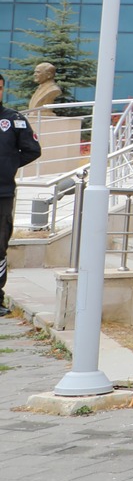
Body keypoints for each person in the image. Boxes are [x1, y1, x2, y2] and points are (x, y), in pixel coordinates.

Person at [0, 71, 42, 314]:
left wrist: (7, 166)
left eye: (1, 87)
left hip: (2, 195)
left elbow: (32, 150)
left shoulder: (14, 120)